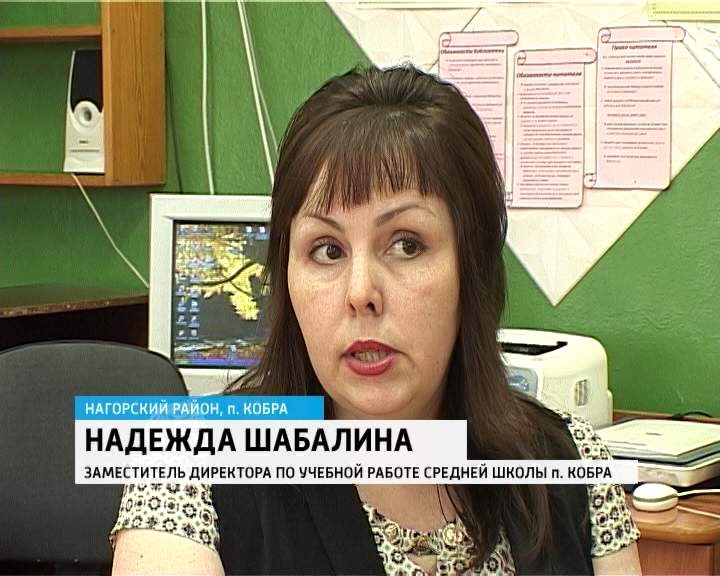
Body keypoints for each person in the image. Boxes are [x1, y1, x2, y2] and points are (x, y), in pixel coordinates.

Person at [111, 64, 642, 575]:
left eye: (406, 244)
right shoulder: (185, 471)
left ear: (473, 269)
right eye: (327, 250)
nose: (360, 293)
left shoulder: (572, 463)